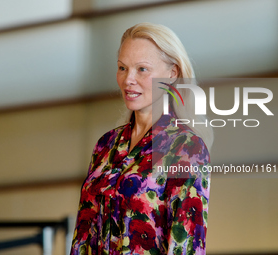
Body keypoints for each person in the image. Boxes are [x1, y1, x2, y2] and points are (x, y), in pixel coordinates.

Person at [70, 22, 213, 255]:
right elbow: (82, 235)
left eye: (142, 69)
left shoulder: (187, 148)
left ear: (172, 73)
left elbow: (186, 244)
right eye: (122, 68)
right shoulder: (105, 145)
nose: (128, 80)